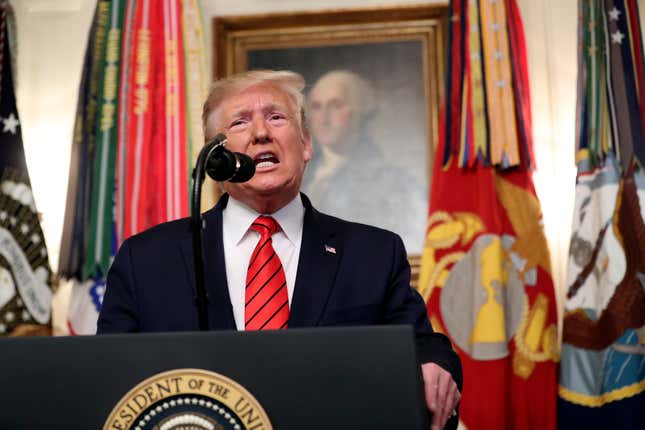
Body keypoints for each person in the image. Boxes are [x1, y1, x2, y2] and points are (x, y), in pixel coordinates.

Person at [97, 70, 461, 430]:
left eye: (276, 117)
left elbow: (422, 346)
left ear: (305, 144)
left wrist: (434, 365)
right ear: (215, 159)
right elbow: (107, 381)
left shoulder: (373, 253)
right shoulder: (146, 260)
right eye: (239, 123)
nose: (260, 133)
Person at [303, 70, 427, 252]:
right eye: (316, 106)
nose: (324, 117)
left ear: (359, 112)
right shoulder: (299, 175)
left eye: (336, 105)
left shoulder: (397, 183)